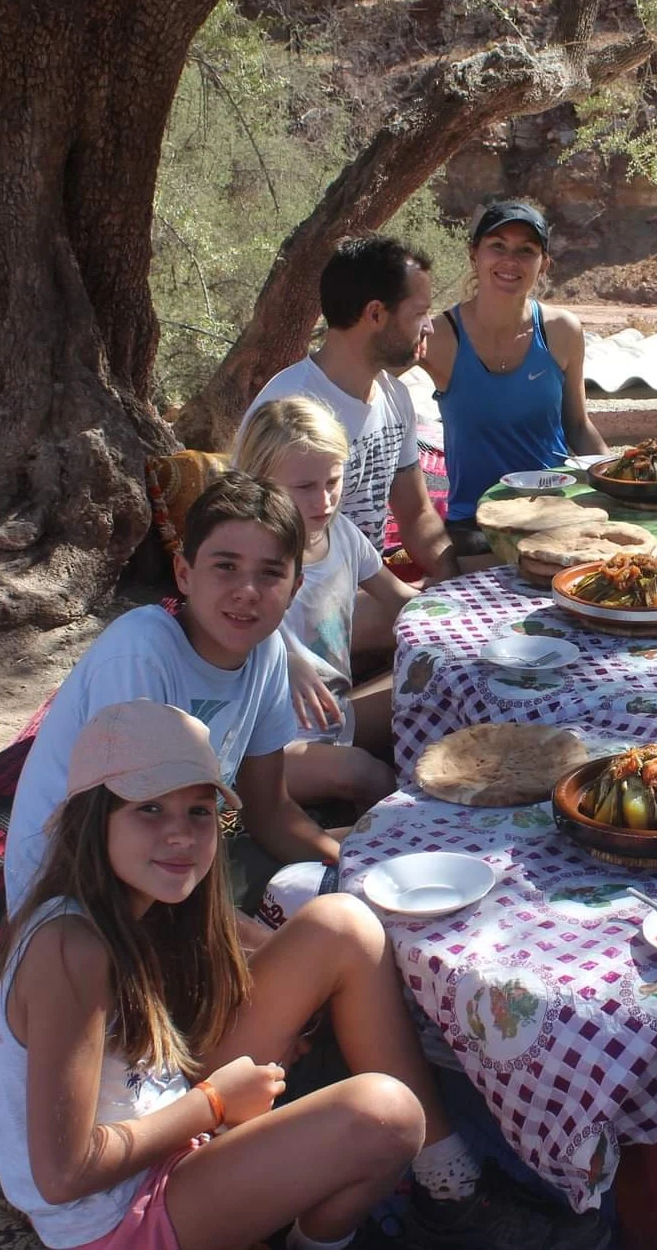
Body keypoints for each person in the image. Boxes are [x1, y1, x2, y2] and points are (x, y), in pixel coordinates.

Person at [0, 699, 612, 1250]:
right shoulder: (70, 948)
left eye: (199, 812)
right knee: (386, 1113)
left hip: (160, 1108)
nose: (180, 835)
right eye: (149, 809)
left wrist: (291, 1005)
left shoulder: (141, 900)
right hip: (114, 1215)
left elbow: (247, 965)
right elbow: (63, 1174)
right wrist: (215, 1103)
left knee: (341, 923)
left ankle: (447, 1182)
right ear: (96, 820)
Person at [5, 472, 337, 917]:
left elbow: (269, 810)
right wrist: (258, 947)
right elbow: (121, 854)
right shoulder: (140, 657)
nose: (247, 592)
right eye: (225, 566)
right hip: (83, 906)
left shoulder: (268, 655)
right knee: (335, 936)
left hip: (174, 867)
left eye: (271, 573)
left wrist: (354, 868)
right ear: (184, 573)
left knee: (332, 895)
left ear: (295, 588)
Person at [242, 235, 456, 661]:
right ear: (376, 313)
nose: (429, 326)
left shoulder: (394, 397)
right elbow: (256, 548)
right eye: (419, 313)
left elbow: (415, 514)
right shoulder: (291, 410)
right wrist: (433, 608)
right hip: (296, 610)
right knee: (446, 636)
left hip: (369, 588)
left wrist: (450, 578)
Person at [232, 397, 419, 809]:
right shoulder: (247, 558)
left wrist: (458, 616)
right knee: (367, 774)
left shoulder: (343, 535)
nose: (324, 501)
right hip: (266, 746)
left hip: (332, 715)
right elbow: (211, 631)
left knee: (430, 697)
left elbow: (401, 599)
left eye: (332, 481)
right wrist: (281, 657)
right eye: (304, 488)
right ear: (260, 482)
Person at [418, 200, 607, 561]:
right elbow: (372, 376)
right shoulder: (440, 336)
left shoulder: (561, 331)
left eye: (526, 251)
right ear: (474, 255)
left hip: (559, 516)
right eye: (497, 246)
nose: (511, 261)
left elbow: (578, 426)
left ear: (543, 264)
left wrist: (617, 481)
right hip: (476, 525)